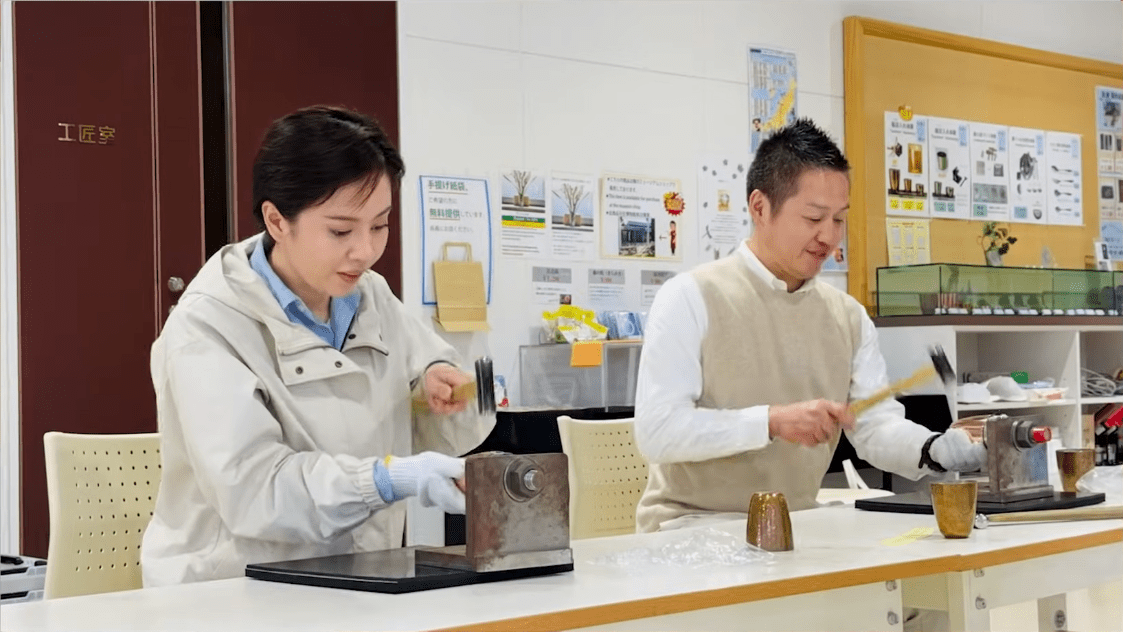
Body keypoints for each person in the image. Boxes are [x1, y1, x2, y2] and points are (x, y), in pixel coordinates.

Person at [142, 106, 495, 586]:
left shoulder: (370, 297)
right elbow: (256, 491)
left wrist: (436, 389)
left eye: (381, 225)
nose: (365, 250)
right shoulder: (209, 325)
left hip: (357, 579)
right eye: (341, 230)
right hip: (234, 592)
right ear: (276, 220)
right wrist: (388, 479)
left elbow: (435, 406)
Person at [634, 118, 984, 533]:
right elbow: (657, 433)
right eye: (814, 217)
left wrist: (932, 448)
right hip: (692, 527)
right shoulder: (690, 296)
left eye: (839, 220)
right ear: (760, 207)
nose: (830, 237)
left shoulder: (847, 316)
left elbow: (874, 427)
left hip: (795, 526)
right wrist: (770, 421)